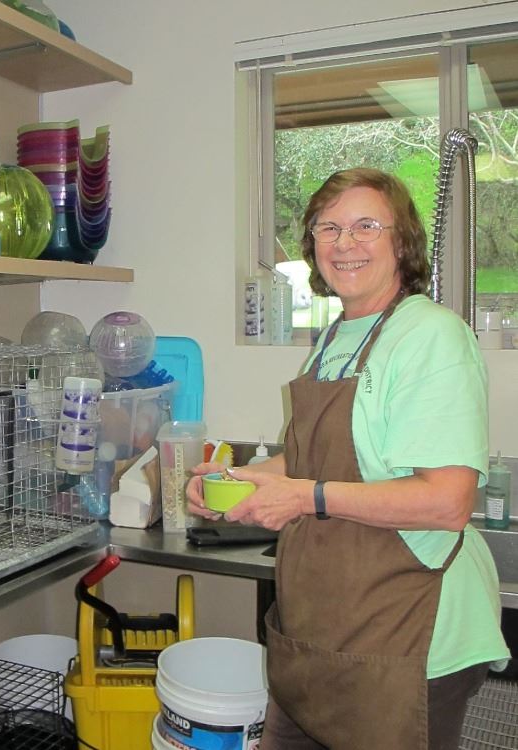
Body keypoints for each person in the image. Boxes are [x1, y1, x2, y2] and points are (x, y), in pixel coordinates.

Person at [187, 168, 509, 750]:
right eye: (327, 227)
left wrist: (307, 497)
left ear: (401, 242)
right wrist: (232, 478)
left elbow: (447, 501)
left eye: (366, 226)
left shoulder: (431, 335)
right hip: (326, 624)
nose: (344, 242)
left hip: (410, 635)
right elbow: (304, 457)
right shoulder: (336, 335)